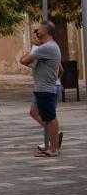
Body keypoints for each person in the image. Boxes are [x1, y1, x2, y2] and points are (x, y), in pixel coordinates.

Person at [20, 21, 62, 158]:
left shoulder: (46, 48)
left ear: (47, 31)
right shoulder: (47, 48)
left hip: (46, 88)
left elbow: (24, 60)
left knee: (50, 118)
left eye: (40, 29)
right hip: (43, 87)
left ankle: (54, 148)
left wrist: (34, 47)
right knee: (40, 114)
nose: (37, 31)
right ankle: (53, 142)